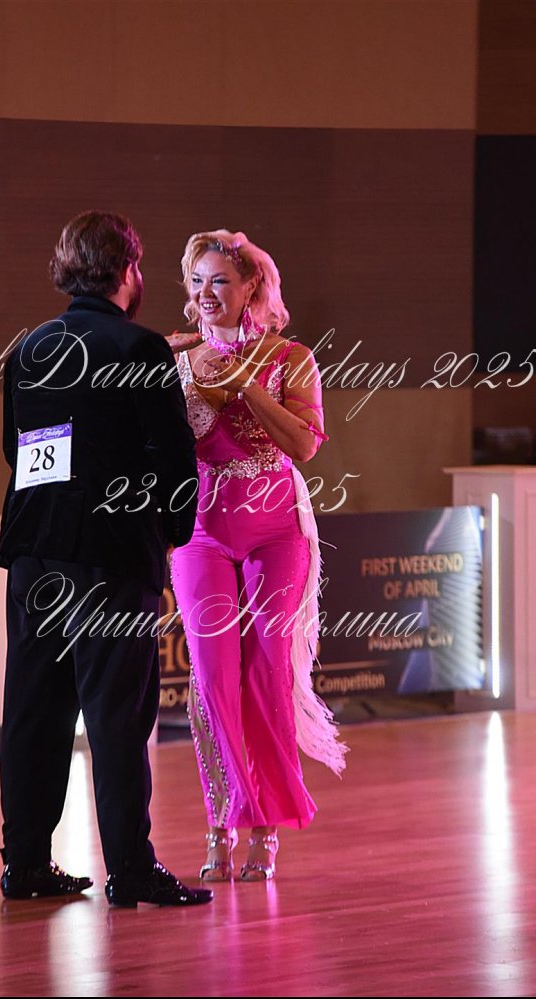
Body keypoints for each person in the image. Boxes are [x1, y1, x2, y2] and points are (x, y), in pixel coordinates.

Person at [0, 211, 212, 907]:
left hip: (34, 553)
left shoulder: (30, 347)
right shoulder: (140, 347)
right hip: (110, 558)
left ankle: (26, 863)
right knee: (118, 716)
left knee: (34, 711)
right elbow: (174, 457)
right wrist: (172, 534)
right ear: (127, 269)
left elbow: (18, 450)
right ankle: (129, 867)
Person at [170, 229, 348, 881]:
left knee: (269, 671)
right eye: (197, 281)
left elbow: (304, 446)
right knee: (212, 676)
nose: (206, 293)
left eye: (220, 280)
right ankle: (220, 821)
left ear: (251, 288)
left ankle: (265, 827)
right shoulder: (176, 358)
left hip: (277, 530)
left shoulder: (291, 358)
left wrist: (249, 384)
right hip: (202, 529)